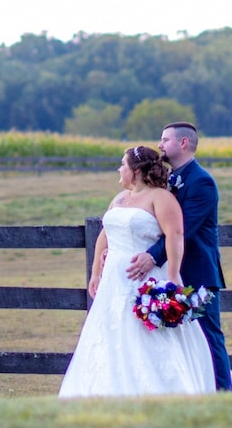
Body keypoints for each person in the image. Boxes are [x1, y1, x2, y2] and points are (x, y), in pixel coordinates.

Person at [58, 145, 218, 397]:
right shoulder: (119, 199)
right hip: (114, 279)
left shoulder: (161, 198)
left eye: (122, 165)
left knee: (147, 335)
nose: (119, 169)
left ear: (136, 171)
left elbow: (175, 236)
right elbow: (104, 235)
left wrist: (174, 276)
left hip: (146, 279)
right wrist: (96, 273)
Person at [127, 122, 232, 391]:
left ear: (183, 143)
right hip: (166, 274)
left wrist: (152, 257)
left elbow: (183, 230)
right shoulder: (166, 181)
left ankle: (222, 395)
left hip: (197, 274)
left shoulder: (202, 182)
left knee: (209, 337)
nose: (160, 144)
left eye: (165, 139)